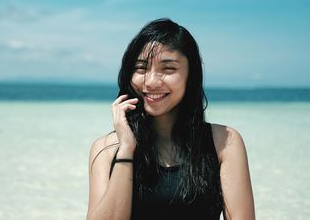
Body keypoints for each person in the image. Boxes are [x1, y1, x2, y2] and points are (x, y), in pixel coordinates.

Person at [86, 18, 255, 220]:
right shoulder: (107, 149)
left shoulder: (224, 143)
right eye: (141, 68)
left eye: (168, 69)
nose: (151, 81)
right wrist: (126, 150)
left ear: (190, 76)